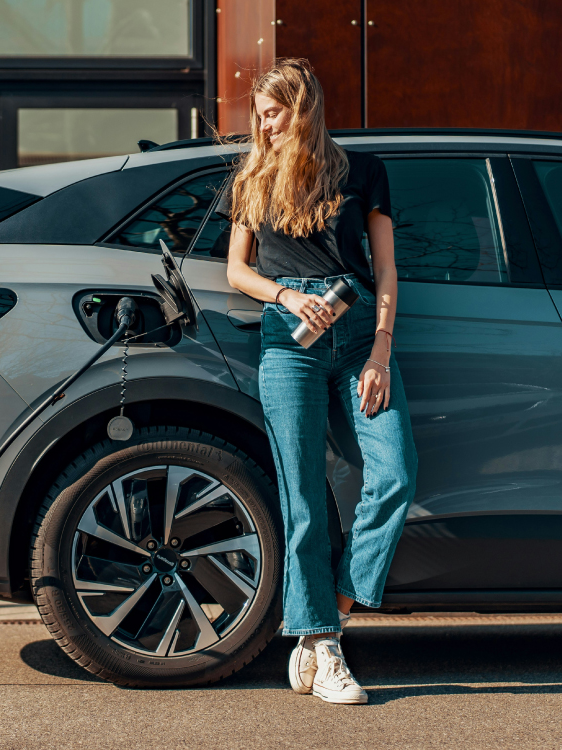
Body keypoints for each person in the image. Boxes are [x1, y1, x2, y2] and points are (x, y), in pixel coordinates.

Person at [217, 58, 418, 705]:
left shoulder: (361, 171)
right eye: (260, 114)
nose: (264, 124)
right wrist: (284, 296)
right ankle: (322, 646)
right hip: (290, 342)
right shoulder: (253, 175)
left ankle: (329, 611)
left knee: (395, 473)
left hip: (359, 332)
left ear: (301, 109)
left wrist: (381, 352)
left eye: (272, 112)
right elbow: (235, 272)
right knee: (302, 496)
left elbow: (385, 270)